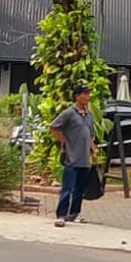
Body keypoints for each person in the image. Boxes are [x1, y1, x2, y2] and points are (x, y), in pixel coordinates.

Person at [49, 84, 99, 227]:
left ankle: (74, 213)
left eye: (89, 94)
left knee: (79, 188)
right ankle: (61, 215)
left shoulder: (89, 115)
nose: (88, 97)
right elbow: (54, 127)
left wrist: (93, 151)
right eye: (85, 94)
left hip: (85, 158)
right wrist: (63, 141)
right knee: (68, 187)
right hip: (72, 156)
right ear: (78, 96)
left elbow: (90, 135)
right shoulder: (69, 113)